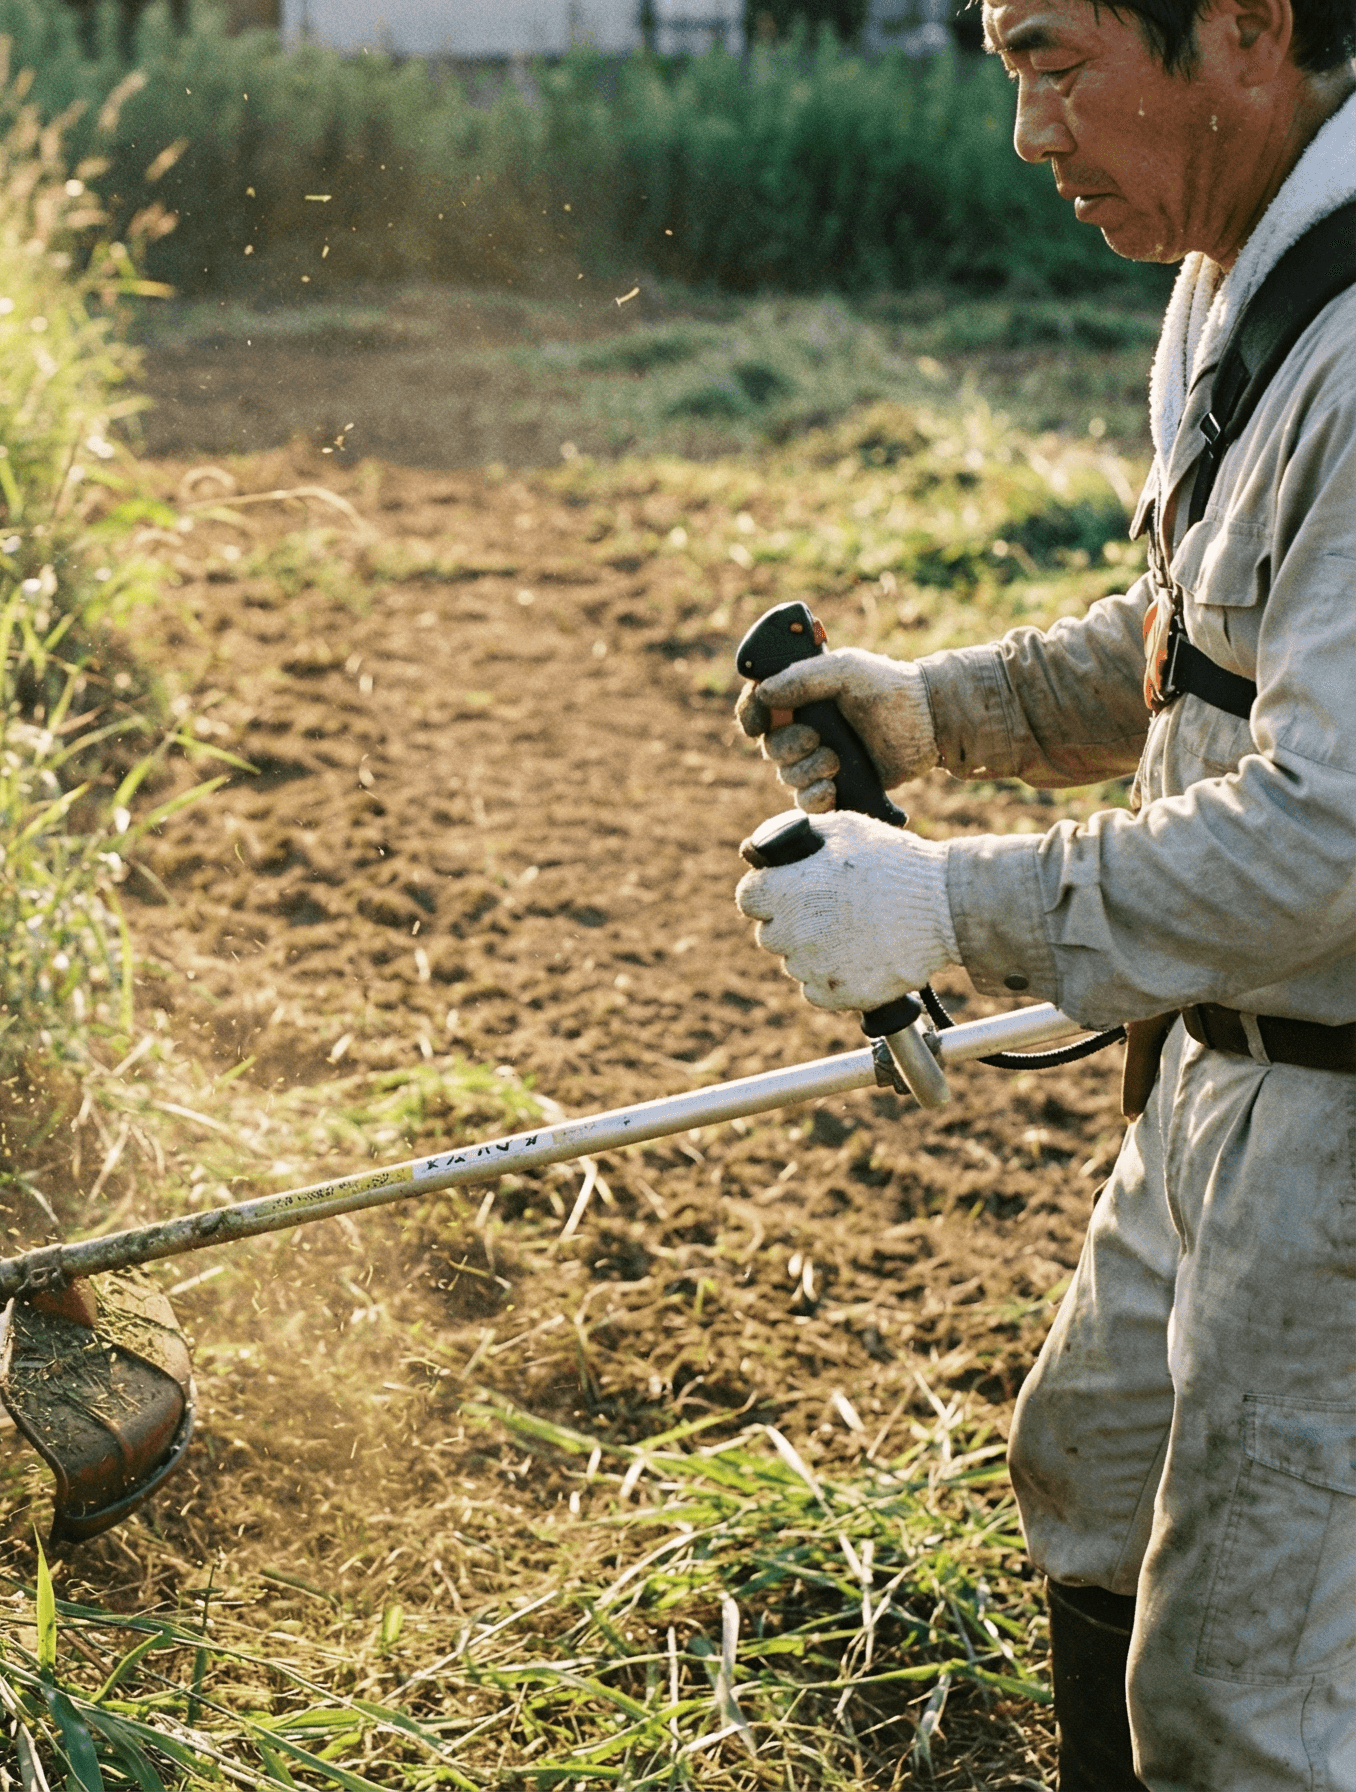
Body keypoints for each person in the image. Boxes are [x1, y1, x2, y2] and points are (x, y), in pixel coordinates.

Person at [730, 0, 1356, 1784]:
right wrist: (938, 713)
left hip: (1340, 1113)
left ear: (1244, 27)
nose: (1028, 134)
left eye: (1055, 61)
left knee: (1245, 1709)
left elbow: (1329, 833)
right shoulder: (1243, 281)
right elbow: (1197, 650)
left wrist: (946, 911)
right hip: (1227, 1064)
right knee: (1090, 1464)